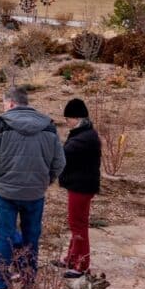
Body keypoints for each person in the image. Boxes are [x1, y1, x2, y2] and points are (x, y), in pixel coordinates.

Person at [0, 86, 66, 289]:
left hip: (5, 192)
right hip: (35, 193)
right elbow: (59, 162)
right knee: (32, 236)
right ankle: (28, 281)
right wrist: (45, 181)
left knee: (5, 236)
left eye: (3, 104)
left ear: (10, 103)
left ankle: (2, 284)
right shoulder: (49, 127)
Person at [57, 97, 101, 277]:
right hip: (79, 184)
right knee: (75, 223)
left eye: (68, 119)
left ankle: (81, 266)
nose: (66, 122)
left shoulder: (84, 137)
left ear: (77, 118)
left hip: (81, 186)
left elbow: (63, 154)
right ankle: (71, 258)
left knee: (78, 225)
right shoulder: (84, 133)